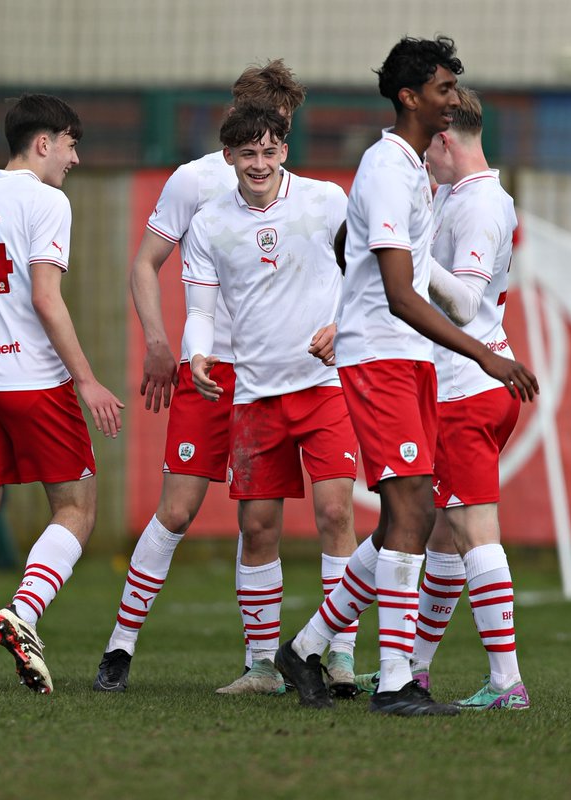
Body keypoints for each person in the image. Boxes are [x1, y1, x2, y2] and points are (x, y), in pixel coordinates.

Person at [272, 36, 538, 717]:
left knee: (408, 515)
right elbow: (397, 291)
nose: (455, 99)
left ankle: (309, 650)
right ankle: (397, 682)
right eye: (444, 88)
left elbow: (398, 274)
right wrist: (482, 353)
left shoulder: (415, 173)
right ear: (409, 97)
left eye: (455, 87)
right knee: (416, 510)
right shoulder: (390, 167)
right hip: (387, 356)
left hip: (410, 358)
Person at [95, 61, 361, 696]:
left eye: (281, 130)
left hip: (293, 373)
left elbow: (358, 266)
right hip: (213, 371)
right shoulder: (197, 184)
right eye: (256, 132)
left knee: (304, 513)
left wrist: (342, 326)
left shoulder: (314, 195)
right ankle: (121, 647)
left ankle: (278, 658)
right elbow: (145, 264)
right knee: (181, 509)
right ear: (234, 129)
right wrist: (164, 344)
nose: (267, 145)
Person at [0, 93, 123, 695]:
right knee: (77, 508)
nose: (75, 158)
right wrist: (86, 379)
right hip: (34, 383)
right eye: (70, 144)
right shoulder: (46, 200)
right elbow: (44, 296)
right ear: (43, 143)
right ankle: (25, 612)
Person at [180, 103, 361, 697]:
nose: (259, 164)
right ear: (228, 157)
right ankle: (261, 666)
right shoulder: (208, 224)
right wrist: (197, 355)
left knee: (336, 513)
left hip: (324, 386)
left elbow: (367, 272)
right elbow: (201, 310)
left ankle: (338, 655)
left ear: (284, 149)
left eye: (269, 151)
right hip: (256, 395)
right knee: (257, 528)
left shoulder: (328, 201)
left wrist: (342, 325)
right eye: (246, 153)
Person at [403, 86, 530, 710]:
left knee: (473, 529)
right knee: (442, 537)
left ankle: (507, 683)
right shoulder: (461, 194)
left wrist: (410, 254)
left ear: (445, 138)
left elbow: (468, 301)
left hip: (466, 389)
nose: (421, 157)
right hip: (470, 385)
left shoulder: (481, 204)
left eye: (426, 143)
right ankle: (415, 671)